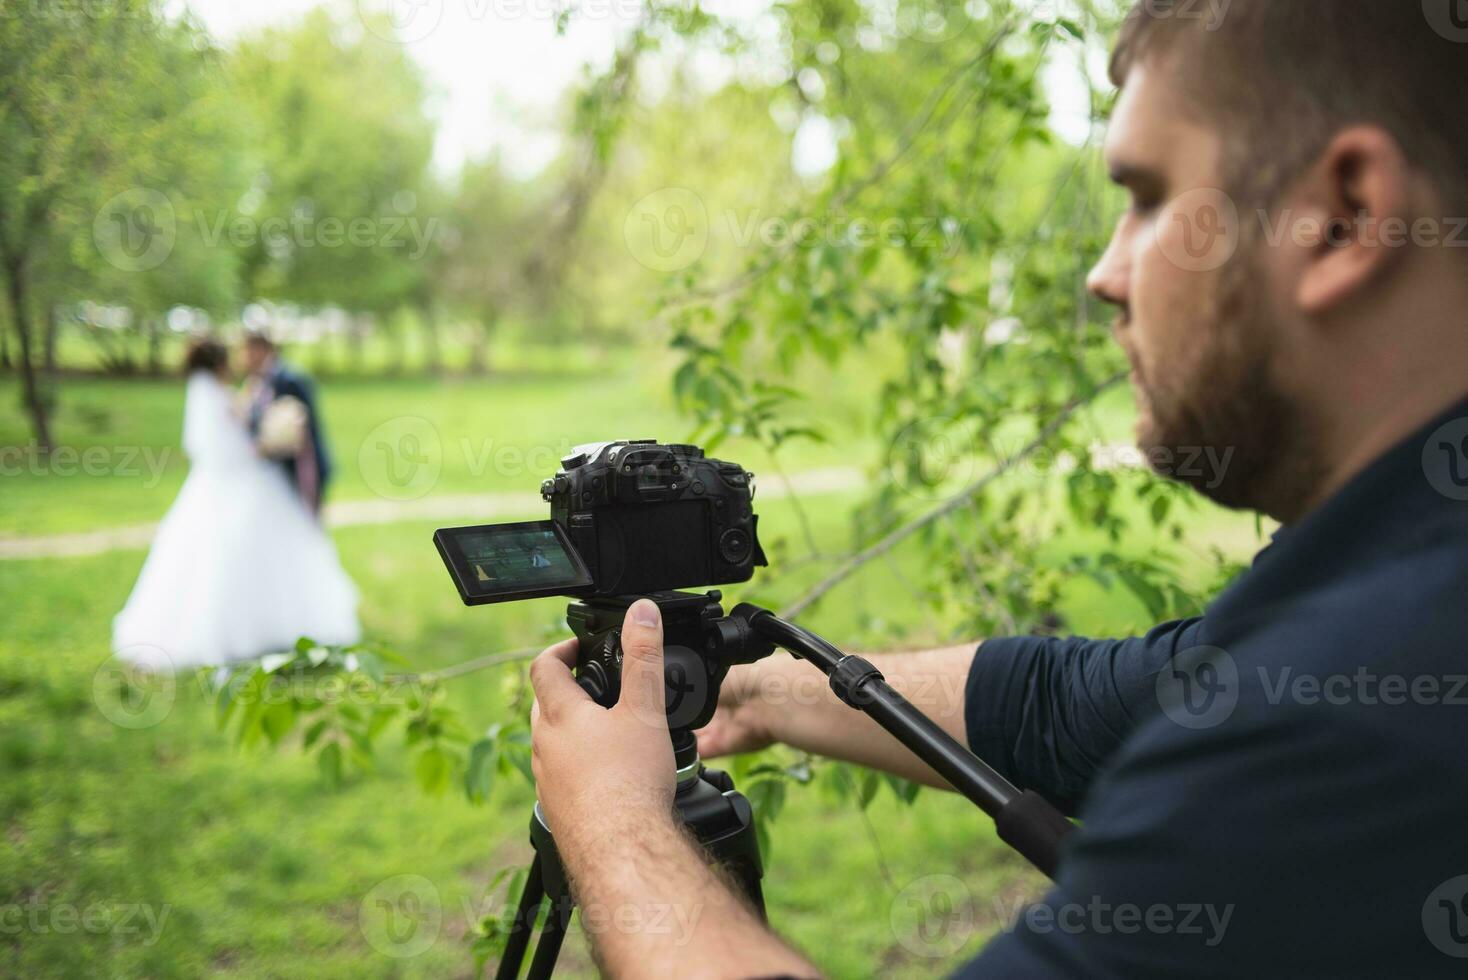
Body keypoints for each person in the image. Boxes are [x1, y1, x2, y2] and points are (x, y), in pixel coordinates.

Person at [523, 3, 1468, 977]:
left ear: (1343, 216)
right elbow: (1077, 706)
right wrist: (749, 687)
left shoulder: (1342, 717)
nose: (1104, 273)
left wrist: (612, 819)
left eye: (1146, 197)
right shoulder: (1392, 584)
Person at [112, 338, 360, 669]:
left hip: (221, 483)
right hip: (238, 482)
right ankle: (256, 631)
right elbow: (227, 449)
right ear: (218, 364)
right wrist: (266, 447)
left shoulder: (210, 392)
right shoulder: (217, 395)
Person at [242, 330, 332, 515]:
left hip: (301, 467)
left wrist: (274, 441)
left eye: (249, 351)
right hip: (273, 470)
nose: (246, 358)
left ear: (263, 349)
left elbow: (305, 424)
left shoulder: (291, 379)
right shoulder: (258, 382)